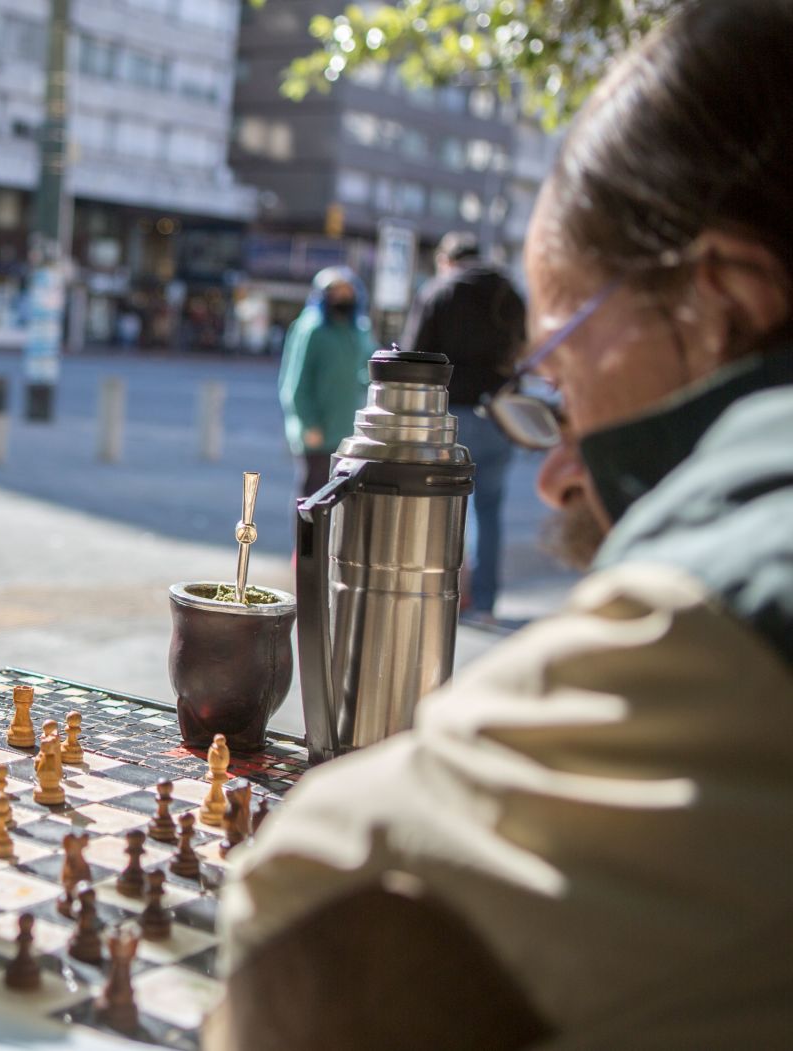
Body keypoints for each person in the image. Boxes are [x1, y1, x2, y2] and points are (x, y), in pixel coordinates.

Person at [216, 1, 793, 1047]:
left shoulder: (728, 606)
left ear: (724, 303)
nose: (555, 470)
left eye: (561, 378)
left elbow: (306, 915)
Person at [401, 231, 527, 621]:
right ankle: (485, 603)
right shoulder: (510, 293)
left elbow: (412, 356)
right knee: (489, 512)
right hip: (501, 415)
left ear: (446, 260)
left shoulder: (440, 291)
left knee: (442, 510)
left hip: (449, 417)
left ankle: (443, 597)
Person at [277, 267, 376, 505]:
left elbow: (368, 370)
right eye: (336, 292)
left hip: (349, 432)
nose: (343, 297)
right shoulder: (310, 329)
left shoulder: (359, 330)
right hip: (317, 434)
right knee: (312, 495)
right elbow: (294, 382)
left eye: (347, 291)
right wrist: (308, 423)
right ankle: (304, 543)